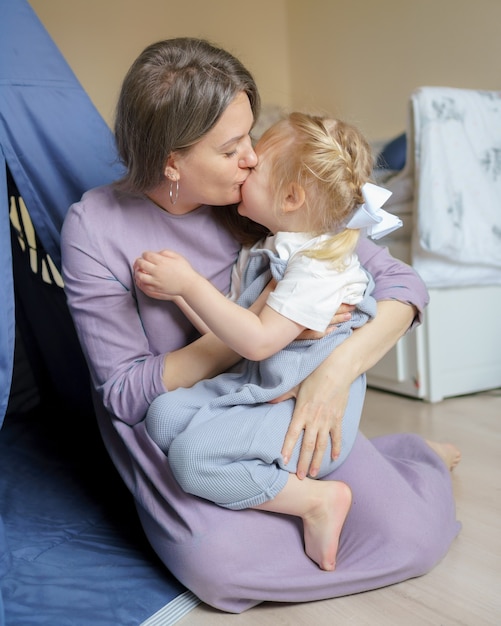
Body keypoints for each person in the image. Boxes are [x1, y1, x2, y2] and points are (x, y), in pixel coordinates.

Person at [60, 37, 461, 613]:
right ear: (172, 161)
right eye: (231, 148)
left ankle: (402, 461)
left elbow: (402, 286)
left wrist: (334, 371)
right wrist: (256, 328)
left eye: (251, 134)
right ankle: (364, 470)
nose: (251, 157)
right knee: (222, 570)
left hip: (282, 403)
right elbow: (124, 393)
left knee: (412, 540)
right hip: (194, 416)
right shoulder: (95, 229)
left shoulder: (261, 196)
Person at [134, 112, 401, 572]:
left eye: (255, 164)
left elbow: (256, 342)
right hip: (260, 383)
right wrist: (180, 292)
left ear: (292, 197)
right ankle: (243, 483)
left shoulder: (317, 270)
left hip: (297, 412)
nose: (248, 160)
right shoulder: (281, 248)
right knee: (161, 417)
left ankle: (315, 501)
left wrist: (191, 283)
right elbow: (233, 331)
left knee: (192, 459)